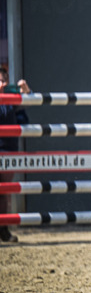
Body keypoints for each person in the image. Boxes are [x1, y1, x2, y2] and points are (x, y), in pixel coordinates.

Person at [0, 64, 30, 242]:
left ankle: (3, 229)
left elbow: (26, 111)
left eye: (4, 80)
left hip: (9, 152)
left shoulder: (12, 100)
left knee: (4, 192)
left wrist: (27, 92)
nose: (2, 84)